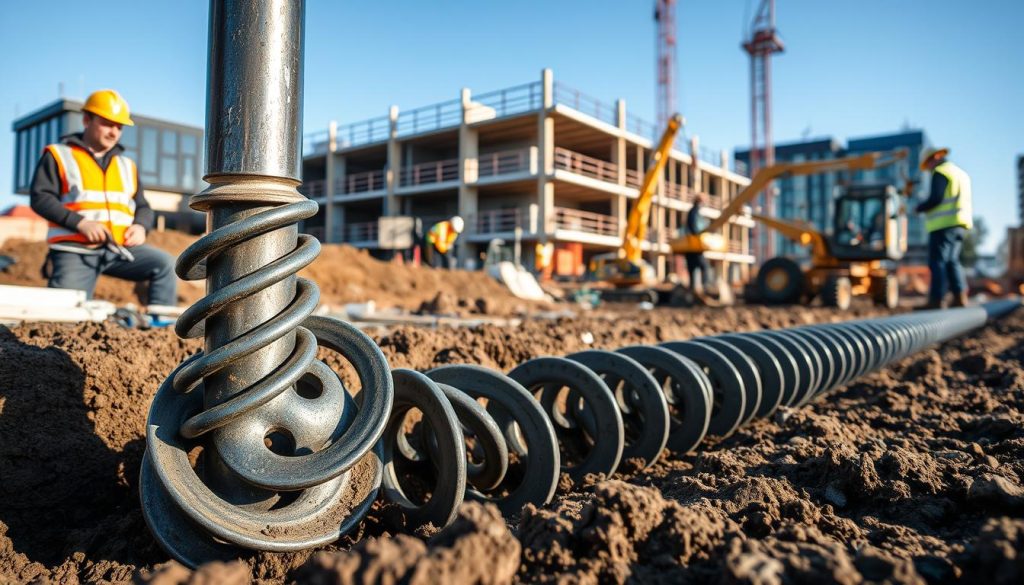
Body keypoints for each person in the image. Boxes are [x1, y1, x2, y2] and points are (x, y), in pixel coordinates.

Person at [29, 89, 177, 310]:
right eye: (107, 124)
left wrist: (140, 226)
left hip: (118, 250)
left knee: (165, 264)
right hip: (75, 250)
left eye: (119, 127)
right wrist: (80, 223)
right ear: (87, 119)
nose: (114, 132)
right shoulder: (59, 155)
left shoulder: (126, 166)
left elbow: (144, 207)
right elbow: (40, 198)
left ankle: (159, 330)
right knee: (61, 316)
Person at [915, 147, 973, 309]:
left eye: (930, 162)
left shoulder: (941, 172)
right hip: (959, 224)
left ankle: (936, 300)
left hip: (943, 225)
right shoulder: (961, 174)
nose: (930, 168)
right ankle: (959, 297)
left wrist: (919, 208)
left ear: (938, 156)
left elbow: (936, 199)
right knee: (952, 261)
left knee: (937, 262)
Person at [684, 194, 712, 292]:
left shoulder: (696, 213)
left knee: (693, 268)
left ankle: (693, 289)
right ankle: (705, 288)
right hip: (694, 247)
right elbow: (694, 228)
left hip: (692, 247)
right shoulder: (694, 212)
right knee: (703, 266)